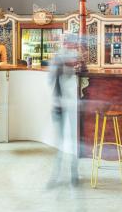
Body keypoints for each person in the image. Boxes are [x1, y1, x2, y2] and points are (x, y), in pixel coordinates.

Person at [47, 32, 80, 188]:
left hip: (70, 104)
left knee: (71, 140)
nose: (67, 44)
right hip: (60, 104)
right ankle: (58, 175)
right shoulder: (59, 58)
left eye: (69, 41)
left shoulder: (75, 58)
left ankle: (73, 174)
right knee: (61, 142)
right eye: (65, 41)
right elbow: (51, 79)